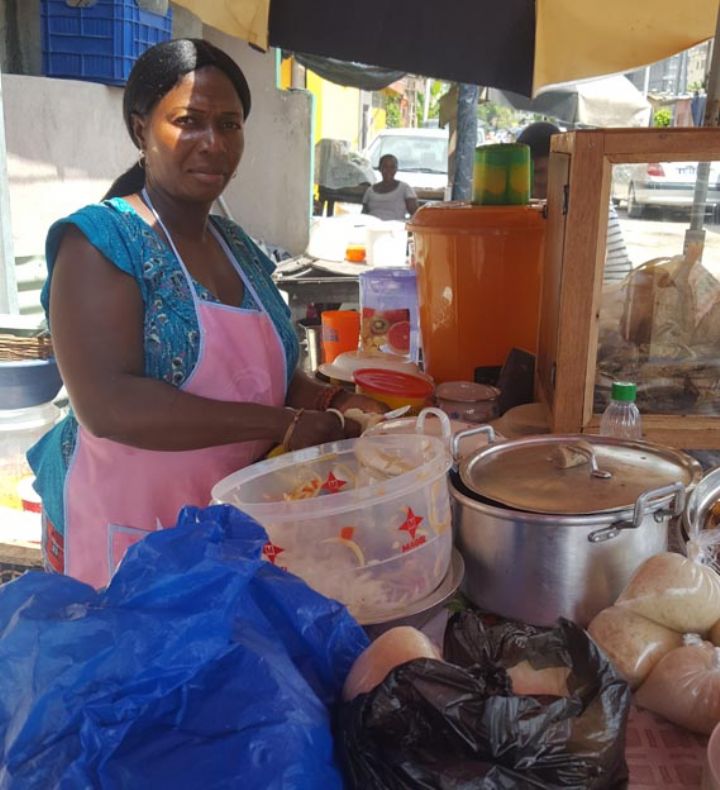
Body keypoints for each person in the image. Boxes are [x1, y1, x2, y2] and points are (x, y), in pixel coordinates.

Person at [28, 39, 384, 589]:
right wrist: (284, 424)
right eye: (188, 121)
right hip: (131, 529)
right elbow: (108, 404)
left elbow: (268, 374)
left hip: (229, 523)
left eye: (229, 124)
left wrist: (333, 401)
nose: (212, 143)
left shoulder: (238, 248)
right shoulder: (100, 241)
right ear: (140, 129)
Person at [517, 122, 632, 283]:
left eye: (538, 173)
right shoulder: (550, 202)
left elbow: (576, 273)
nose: (532, 183)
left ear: (560, 163)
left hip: (609, 292)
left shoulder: (584, 200)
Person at [362, 154, 418, 221]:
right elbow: (363, 214)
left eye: (392, 167)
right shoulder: (370, 190)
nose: (388, 170)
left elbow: (416, 215)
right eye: (385, 167)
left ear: (396, 169)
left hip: (396, 228)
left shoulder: (405, 188)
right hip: (371, 227)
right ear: (380, 169)